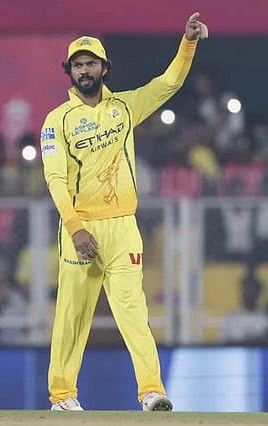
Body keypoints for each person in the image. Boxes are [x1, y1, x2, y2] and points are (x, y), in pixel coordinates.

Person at [40, 13, 208, 412]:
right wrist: (76, 227)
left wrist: (188, 43)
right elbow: (55, 179)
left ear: (104, 68)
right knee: (72, 316)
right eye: (78, 65)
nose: (84, 70)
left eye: (91, 63)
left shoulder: (125, 107)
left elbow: (168, 84)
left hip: (123, 227)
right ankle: (62, 397)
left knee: (134, 311)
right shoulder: (57, 121)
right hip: (80, 228)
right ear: (70, 71)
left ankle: (151, 391)